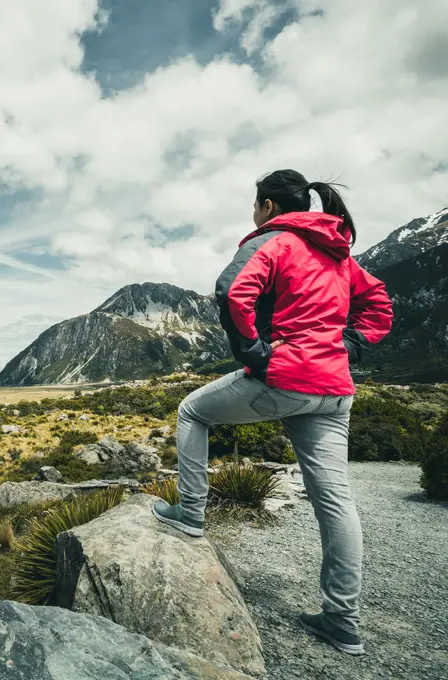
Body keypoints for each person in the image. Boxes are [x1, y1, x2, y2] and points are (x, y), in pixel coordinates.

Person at [152, 169, 393, 656]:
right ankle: (342, 622)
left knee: (192, 412)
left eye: (255, 204)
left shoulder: (277, 240)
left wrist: (255, 355)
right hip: (335, 390)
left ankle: (191, 516)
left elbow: (231, 290)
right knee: (335, 502)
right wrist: (349, 344)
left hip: (287, 376)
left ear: (266, 205)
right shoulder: (338, 251)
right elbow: (380, 306)